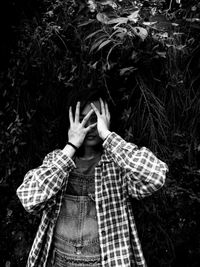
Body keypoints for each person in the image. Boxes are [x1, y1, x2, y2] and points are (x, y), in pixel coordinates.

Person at [17, 92, 168, 267]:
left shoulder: (118, 164)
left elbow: (156, 176)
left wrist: (107, 135)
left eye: (96, 118)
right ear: (71, 122)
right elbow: (29, 198)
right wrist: (71, 146)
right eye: (83, 119)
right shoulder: (57, 161)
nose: (90, 126)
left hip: (106, 261)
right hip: (59, 261)